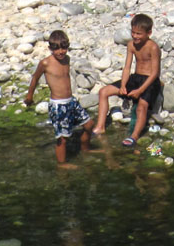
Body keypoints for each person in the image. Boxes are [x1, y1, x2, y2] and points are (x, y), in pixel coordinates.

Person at [25, 30, 95, 168]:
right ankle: (61, 164)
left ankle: (86, 149)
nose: (61, 52)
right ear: (50, 48)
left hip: (71, 101)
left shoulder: (67, 59)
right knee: (62, 138)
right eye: (57, 49)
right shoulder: (45, 63)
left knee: (89, 124)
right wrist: (29, 96)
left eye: (64, 48)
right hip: (58, 105)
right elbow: (35, 78)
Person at [93, 14, 161, 147]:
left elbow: (155, 73)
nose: (135, 36)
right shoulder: (131, 45)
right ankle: (100, 126)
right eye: (133, 32)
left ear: (149, 33)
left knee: (142, 106)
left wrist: (140, 90)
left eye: (139, 34)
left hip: (150, 81)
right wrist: (123, 85)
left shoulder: (153, 47)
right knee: (103, 92)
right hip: (135, 78)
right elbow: (127, 68)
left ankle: (134, 136)